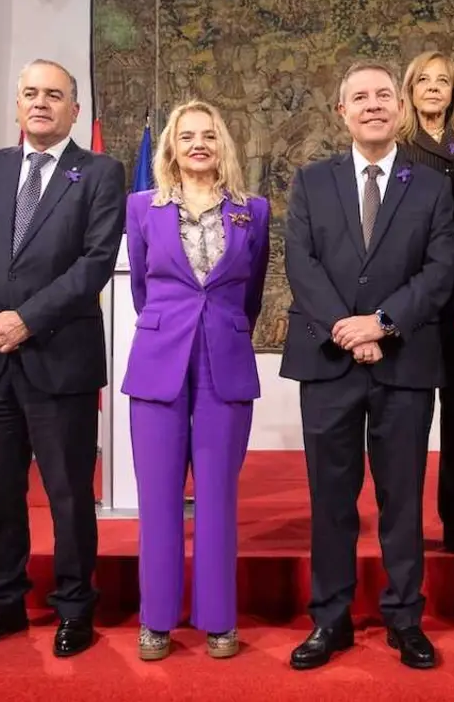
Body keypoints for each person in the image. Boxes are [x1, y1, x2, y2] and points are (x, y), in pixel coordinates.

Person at [0, 59, 125, 657]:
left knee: (70, 493)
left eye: (54, 95)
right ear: (16, 106)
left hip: (59, 360)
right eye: (30, 94)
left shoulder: (99, 172)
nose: (40, 103)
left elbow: (95, 261)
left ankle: (75, 607)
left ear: (75, 109)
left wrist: (27, 319)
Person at [279, 61, 454, 671]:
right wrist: (347, 329)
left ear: (400, 108)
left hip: (403, 360)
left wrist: (381, 323)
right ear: (342, 112)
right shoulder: (311, 180)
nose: (374, 105)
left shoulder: (431, 186)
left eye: (384, 95)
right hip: (328, 362)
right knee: (331, 498)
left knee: (401, 497)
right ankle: (329, 620)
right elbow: (300, 263)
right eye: (361, 97)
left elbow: (439, 271)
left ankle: (405, 618)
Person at [121, 100, 271, 661]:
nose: (199, 144)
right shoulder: (141, 207)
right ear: (171, 148)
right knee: (158, 500)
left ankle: (218, 620)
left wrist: (222, 329)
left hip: (224, 364)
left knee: (217, 498)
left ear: (223, 145)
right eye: (187, 136)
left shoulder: (251, 211)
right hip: (159, 361)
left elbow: (250, 291)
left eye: (209, 135)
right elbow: (142, 285)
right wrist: (172, 325)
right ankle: (155, 621)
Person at [396, 51, 454, 553]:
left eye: (443, 81)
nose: (433, 88)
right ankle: (405, 522)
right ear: (409, 89)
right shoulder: (399, 153)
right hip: (413, 305)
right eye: (423, 80)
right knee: (408, 419)